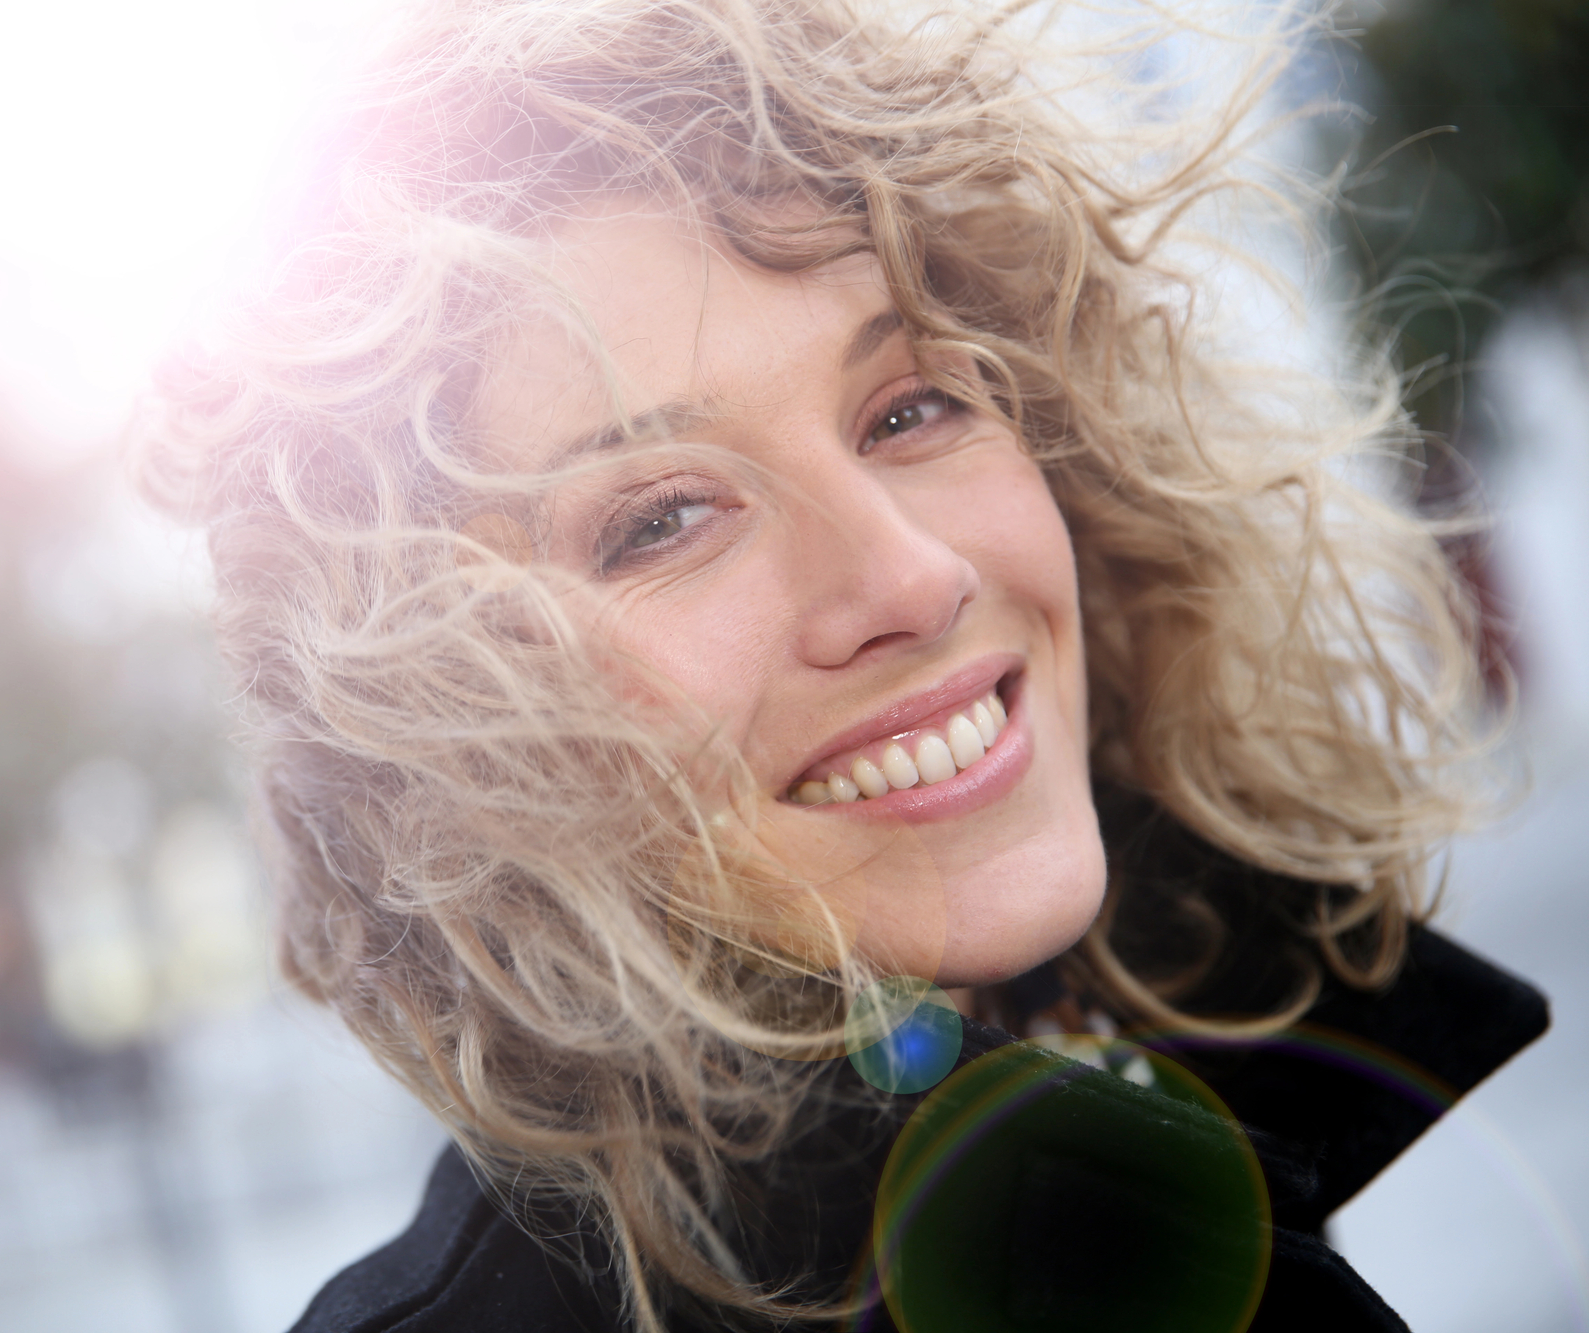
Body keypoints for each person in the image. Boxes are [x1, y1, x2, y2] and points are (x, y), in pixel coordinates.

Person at [144, 0, 1548, 1327]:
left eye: (910, 405)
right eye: (664, 519)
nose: (908, 577)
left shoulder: (1164, 1092)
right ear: (441, 722)